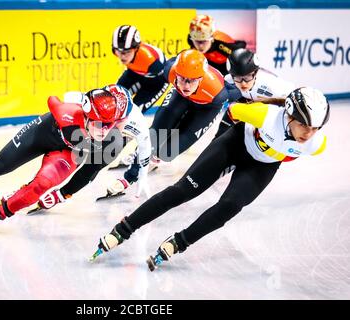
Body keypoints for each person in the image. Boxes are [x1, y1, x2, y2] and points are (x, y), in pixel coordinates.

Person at [91, 87, 330, 271]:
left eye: (315, 128)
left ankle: (179, 242)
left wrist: (277, 153)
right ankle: (124, 228)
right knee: (183, 190)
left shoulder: (316, 144)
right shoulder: (264, 115)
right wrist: (224, 145)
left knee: (231, 206)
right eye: (303, 125)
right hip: (234, 145)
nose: (308, 133)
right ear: (288, 114)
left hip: (262, 165)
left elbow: (294, 151)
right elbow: (233, 110)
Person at [0, 85, 150, 231]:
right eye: (98, 124)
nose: (104, 130)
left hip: (67, 152)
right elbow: (53, 100)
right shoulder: (66, 113)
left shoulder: (123, 129)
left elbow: (143, 145)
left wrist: (142, 175)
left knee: (43, 183)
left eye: (110, 124)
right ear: (86, 114)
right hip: (45, 131)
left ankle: (0, 211)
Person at [28, 84, 152, 213]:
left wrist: (141, 175)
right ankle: (35, 184)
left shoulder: (137, 124)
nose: (112, 122)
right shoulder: (101, 102)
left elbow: (146, 147)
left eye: (119, 119)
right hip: (95, 127)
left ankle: (62, 194)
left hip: (120, 135)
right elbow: (69, 98)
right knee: (75, 151)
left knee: (94, 163)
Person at [149, 48, 228, 163]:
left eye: (192, 80)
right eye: (182, 78)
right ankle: (140, 155)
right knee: (158, 129)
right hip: (181, 96)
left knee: (168, 153)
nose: (186, 86)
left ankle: (158, 155)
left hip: (207, 107)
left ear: (201, 79)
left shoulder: (218, 92)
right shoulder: (169, 70)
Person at [215, 48, 296, 138]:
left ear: (256, 73)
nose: (243, 83)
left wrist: (268, 101)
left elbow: (294, 102)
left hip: (272, 106)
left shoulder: (273, 85)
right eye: (238, 78)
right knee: (224, 128)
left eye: (248, 77)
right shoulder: (228, 80)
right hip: (250, 101)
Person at [112, 25, 169, 114]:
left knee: (134, 113)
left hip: (158, 82)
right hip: (135, 73)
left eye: (127, 52)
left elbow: (169, 74)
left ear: (136, 49)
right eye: (119, 51)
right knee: (113, 99)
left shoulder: (152, 61)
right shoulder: (117, 51)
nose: (122, 56)